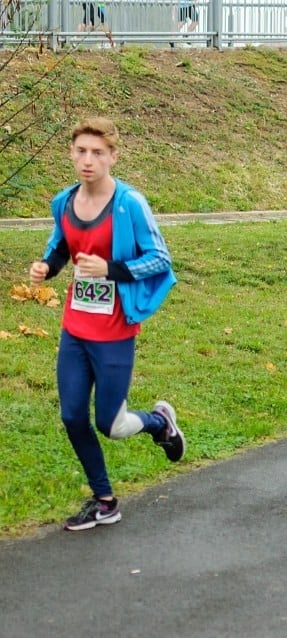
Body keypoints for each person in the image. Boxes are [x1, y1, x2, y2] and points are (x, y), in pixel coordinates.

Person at [28, 117, 182, 531]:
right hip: (75, 328)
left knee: (110, 424)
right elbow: (60, 247)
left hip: (114, 331)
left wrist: (110, 269)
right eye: (80, 151)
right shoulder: (64, 202)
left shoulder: (129, 203)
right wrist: (46, 267)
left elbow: (160, 258)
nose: (88, 160)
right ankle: (104, 500)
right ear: (71, 154)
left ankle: (157, 422)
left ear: (113, 156)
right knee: (72, 416)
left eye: (97, 152)